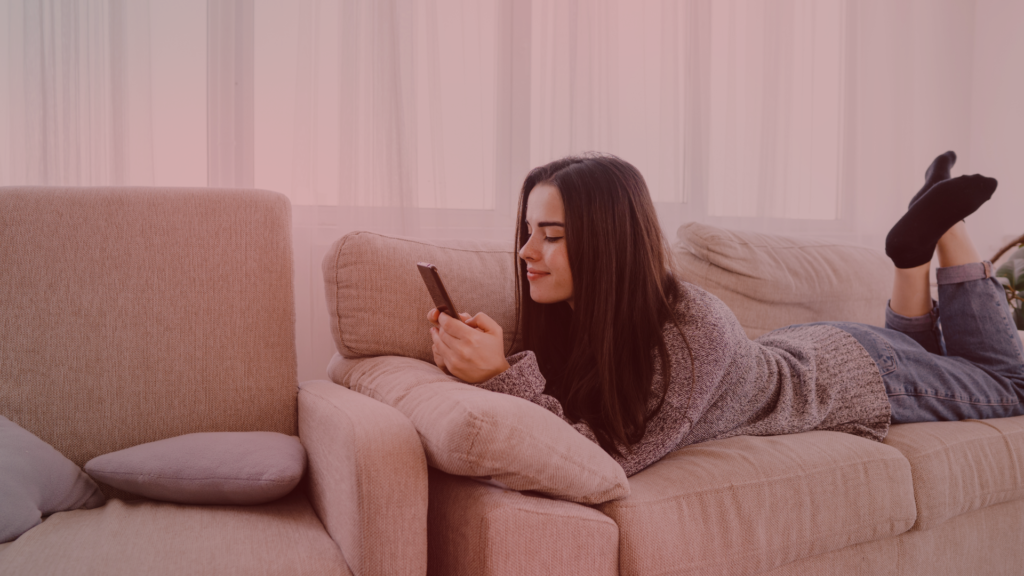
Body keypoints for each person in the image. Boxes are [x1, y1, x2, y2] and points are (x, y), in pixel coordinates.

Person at [427, 152, 1024, 477]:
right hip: (817, 348)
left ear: (608, 242)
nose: (527, 252)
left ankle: (948, 229)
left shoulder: (691, 330)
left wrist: (499, 374)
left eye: (550, 236)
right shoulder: (582, 316)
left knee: (1010, 383)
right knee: (947, 361)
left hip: (861, 374)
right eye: (528, 231)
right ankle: (916, 250)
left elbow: (606, 459)